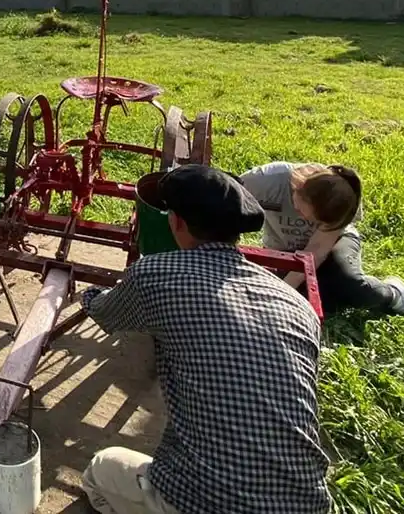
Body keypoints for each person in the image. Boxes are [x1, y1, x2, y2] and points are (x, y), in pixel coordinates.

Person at [79, 164, 332, 514]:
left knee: (100, 469)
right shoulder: (295, 304)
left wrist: (89, 295)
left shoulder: (155, 276)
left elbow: (107, 314)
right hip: (307, 505)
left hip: (207, 503)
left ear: (176, 222)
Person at [239, 161, 404, 320]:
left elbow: (315, 252)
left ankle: (392, 293)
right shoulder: (266, 180)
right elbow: (229, 200)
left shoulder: (343, 201)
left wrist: (282, 293)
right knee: (311, 297)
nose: (307, 221)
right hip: (283, 249)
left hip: (333, 246)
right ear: (299, 189)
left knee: (350, 286)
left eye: (317, 222)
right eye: (305, 214)